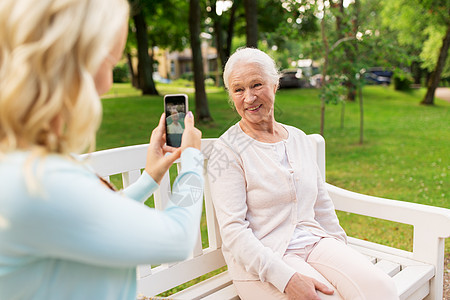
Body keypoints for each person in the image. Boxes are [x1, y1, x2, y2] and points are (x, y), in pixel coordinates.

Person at [0, 0, 203, 299]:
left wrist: (150, 178)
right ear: (76, 62)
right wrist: (192, 160)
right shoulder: (39, 181)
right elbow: (178, 238)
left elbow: (88, 213)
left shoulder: (26, 159)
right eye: (110, 63)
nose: (108, 84)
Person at [208, 47, 398, 300]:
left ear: (275, 85)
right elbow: (234, 233)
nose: (249, 98)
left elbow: (321, 205)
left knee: (381, 288)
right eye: (238, 89)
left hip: (313, 241)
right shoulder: (227, 150)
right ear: (231, 96)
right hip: (263, 261)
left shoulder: (298, 138)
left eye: (257, 85)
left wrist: (342, 253)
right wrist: (287, 279)